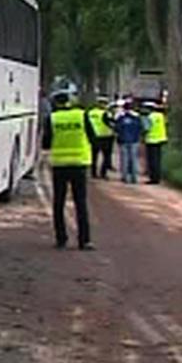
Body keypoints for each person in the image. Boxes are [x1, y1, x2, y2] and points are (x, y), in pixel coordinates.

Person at [42, 85, 95, 250]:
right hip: (79, 164)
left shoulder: (52, 119)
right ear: (69, 102)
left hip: (60, 165)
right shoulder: (81, 115)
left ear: (55, 103)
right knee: (81, 203)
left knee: (59, 203)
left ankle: (61, 239)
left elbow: (46, 144)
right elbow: (92, 136)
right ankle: (84, 240)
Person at [114, 100, 143, 184]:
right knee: (134, 159)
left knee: (124, 159)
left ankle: (125, 177)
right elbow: (140, 128)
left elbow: (117, 128)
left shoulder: (121, 117)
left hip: (123, 140)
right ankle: (134, 177)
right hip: (134, 141)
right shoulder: (137, 117)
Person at [88, 95, 116, 179]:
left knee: (94, 156)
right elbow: (112, 123)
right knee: (106, 156)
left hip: (94, 136)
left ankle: (93, 173)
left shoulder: (90, 112)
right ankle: (103, 174)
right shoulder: (107, 113)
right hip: (106, 136)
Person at [142, 101, 168, 184]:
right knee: (157, 160)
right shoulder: (161, 116)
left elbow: (146, 129)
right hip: (161, 139)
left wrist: (142, 136)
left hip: (151, 140)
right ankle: (157, 177)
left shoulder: (149, 117)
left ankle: (153, 178)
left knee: (152, 160)